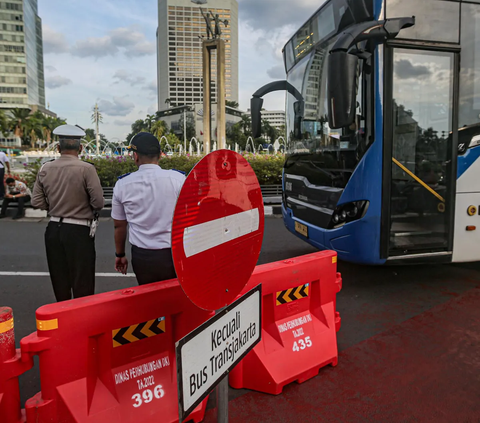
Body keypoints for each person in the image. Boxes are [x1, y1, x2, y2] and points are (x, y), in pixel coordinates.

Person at [32, 124, 104, 302]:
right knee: (83, 282)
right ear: (80, 148)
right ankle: (82, 323)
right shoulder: (87, 169)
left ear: (58, 147)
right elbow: (98, 202)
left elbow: (36, 201)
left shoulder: (45, 169)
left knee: (60, 280)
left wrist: (55, 209)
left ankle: (63, 320)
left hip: (53, 229)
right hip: (79, 231)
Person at [112, 132, 185, 285]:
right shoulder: (178, 179)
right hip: (174, 253)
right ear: (160, 155)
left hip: (142, 256)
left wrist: (120, 254)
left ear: (136, 156)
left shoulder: (122, 185)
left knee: (149, 300)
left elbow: (119, 225)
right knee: (176, 299)